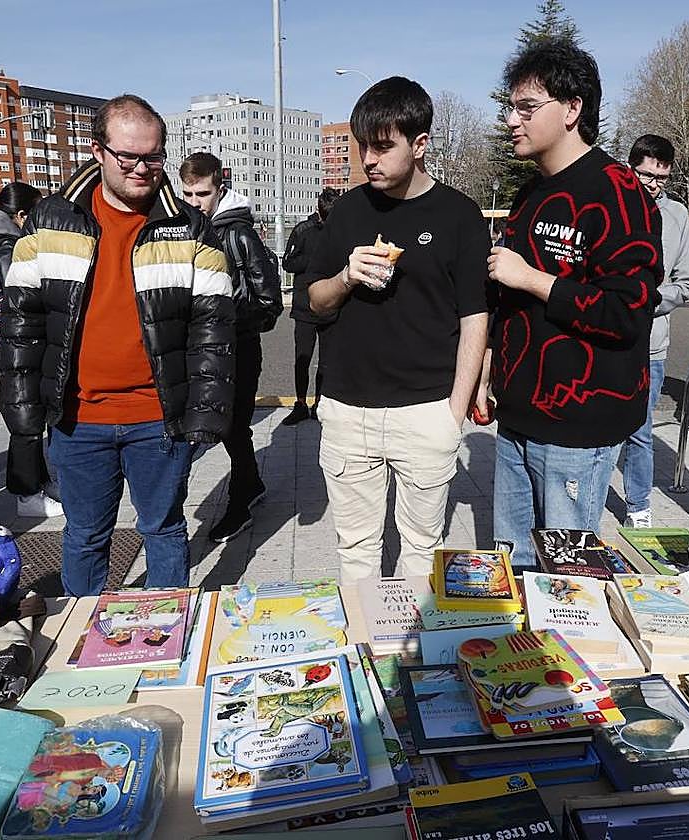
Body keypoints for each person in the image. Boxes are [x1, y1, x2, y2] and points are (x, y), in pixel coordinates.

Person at [0, 95, 236, 595]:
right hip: (78, 419)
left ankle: (167, 632)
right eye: (127, 156)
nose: (141, 168)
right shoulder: (49, 221)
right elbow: (23, 321)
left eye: (153, 156)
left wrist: (207, 413)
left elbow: (214, 329)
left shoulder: (190, 229)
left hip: (159, 418)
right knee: (85, 535)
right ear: (98, 150)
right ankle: (80, 643)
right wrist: (23, 419)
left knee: (164, 530)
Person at [478, 36, 663, 566]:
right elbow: (509, 301)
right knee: (511, 572)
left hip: (577, 433)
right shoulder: (529, 192)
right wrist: (492, 369)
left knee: (567, 584)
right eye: (510, 107)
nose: (512, 120)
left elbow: (626, 312)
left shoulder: (618, 191)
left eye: (527, 107)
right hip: (516, 420)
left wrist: (534, 280)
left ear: (573, 110)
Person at [307, 76, 490, 581]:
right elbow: (313, 300)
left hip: (427, 411)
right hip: (348, 412)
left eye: (383, 147)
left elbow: (475, 315)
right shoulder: (346, 211)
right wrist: (345, 276)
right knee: (357, 550)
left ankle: (406, 656)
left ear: (421, 144)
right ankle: (363, 648)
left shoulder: (459, 216)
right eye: (363, 146)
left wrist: (455, 410)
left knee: (420, 550)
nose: (369, 159)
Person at [178, 153, 283, 543]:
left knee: (233, 428)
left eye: (202, 193)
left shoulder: (238, 234)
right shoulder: (184, 229)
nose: (193, 201)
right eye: (186, 193)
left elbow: (270, 303)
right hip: (202, 351)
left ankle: (239, 504)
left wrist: (223, 320)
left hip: (237, 348)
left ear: (219, 188)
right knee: (228, 430)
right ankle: (251, 486)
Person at [0, 181, 62, 519]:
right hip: (15, 345)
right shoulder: (8, 247)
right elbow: (19, 300)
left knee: (28, 416)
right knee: (26, 421)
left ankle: (38, 485)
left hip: (7, 345)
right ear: (22, 215)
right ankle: (27, 496)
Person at [619, 134, 689, 528]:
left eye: (661, 178)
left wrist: (648, 300)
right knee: (599, 429)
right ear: (630, 167)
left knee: (640, 430)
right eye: (645, 175)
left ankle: (638, 506)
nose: (652, 185)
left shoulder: (677, 215)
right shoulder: (611, 204)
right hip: (607, 341)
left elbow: (687, 282)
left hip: (651, 343)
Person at [280, 187, 340, 426]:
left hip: (331, 306)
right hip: (305, 307)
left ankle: (320, 404)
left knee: (327, 360)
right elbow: (287, 263)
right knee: (302, 358)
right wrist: (313, 259)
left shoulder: (340, 231)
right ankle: (301, 403)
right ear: (318, 210)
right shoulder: (302, 230)